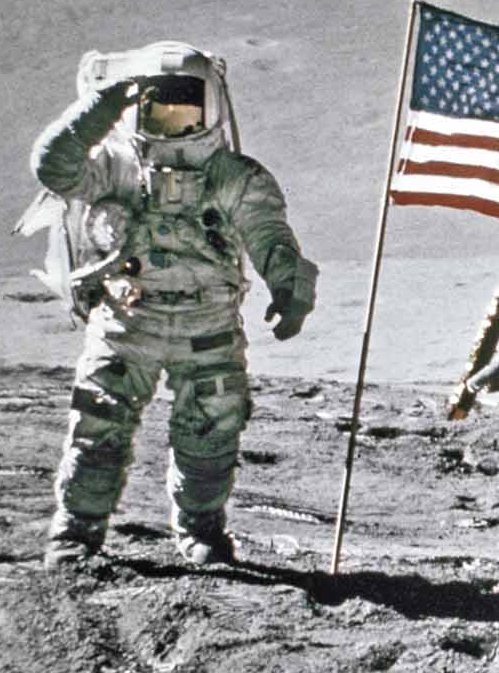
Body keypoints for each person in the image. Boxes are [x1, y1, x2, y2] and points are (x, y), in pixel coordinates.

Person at [30, 41, 317, 568]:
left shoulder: (234, 177)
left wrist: (288, 287)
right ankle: (75, 535)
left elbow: (270, 235)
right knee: (97, 429)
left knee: (210, 434)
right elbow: (53, 168)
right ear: (138, 109)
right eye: (160, 109)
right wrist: (100, 109)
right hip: (125, 322)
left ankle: (202, 531)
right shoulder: (117, 166)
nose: (175, 123)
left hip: (205, 326)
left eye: (188, 109)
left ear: (211, 108)